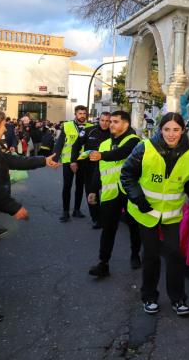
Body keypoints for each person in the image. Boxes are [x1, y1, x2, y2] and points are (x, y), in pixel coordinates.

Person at [0, 106, 59, 327]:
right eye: (1, 124)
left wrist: (42, 160)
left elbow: (12, 162)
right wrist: (14, 208)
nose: (5, 128)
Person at [121, 113, 189, 316]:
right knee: (151, 254)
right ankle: (149, 297)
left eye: (176, 130)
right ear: (160, 129)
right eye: (167, 129)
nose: (171, 134)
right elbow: (127, 175)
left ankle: (178, 298)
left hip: (171, 214)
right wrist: (139, 200)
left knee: (174, 254)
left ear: (183, 131)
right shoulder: (144, 148)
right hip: (145, 211)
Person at [87, 111, 141, 277]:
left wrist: (101, 155)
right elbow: (99, 170)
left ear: (126, 124)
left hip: (130, 191)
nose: (111, 124)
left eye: (115, 121)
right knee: (108, 229)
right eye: (110, 121)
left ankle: (135, 254)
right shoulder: (104, 144)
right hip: (111, 193)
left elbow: (122, 153)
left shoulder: (134, 141)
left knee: (133, 225)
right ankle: (103, 263)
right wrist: (92, 190)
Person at [52, 105, 94, 222]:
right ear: (75, 114)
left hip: (83, 161)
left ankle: (77, 210)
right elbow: (59, 143)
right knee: (67, 186)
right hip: (68, 161)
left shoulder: (91, 127)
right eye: (80, 113)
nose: (82, 116)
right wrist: (54, 159)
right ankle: (65, 212)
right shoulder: (67, 125)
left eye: (84, 114)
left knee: (80, 187)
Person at [72, 112, 112, 228]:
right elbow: (76, 145)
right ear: (98, 120)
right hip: (89, 167)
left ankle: (107, 217)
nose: (105, 123)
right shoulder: (89, 130)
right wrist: (73, 161)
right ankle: (96, 219)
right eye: (102, 120)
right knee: (91, 192)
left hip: (107, 167)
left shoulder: (114, 133)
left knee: (108, 193)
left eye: (107, 121)